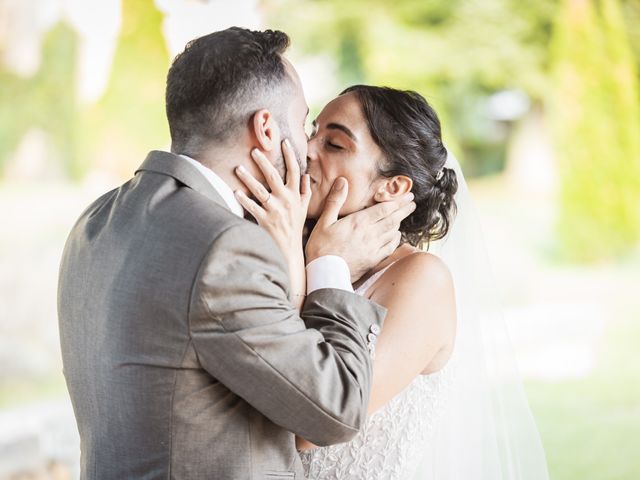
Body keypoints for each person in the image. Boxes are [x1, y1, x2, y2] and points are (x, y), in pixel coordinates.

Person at [57, 28, 416, 480]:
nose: (308, 149)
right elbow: (336, 410)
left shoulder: (98, 218)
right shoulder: (225, 249)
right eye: (304, 123)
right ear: (265, 129)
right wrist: (331, 266)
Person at [236, 85, 550, 479]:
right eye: (313, 132)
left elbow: (310, 425)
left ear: (392, 187)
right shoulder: (290, 248)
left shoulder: (422, 280)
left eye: (333, 144)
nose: (307, 150)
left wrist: (324, 262)